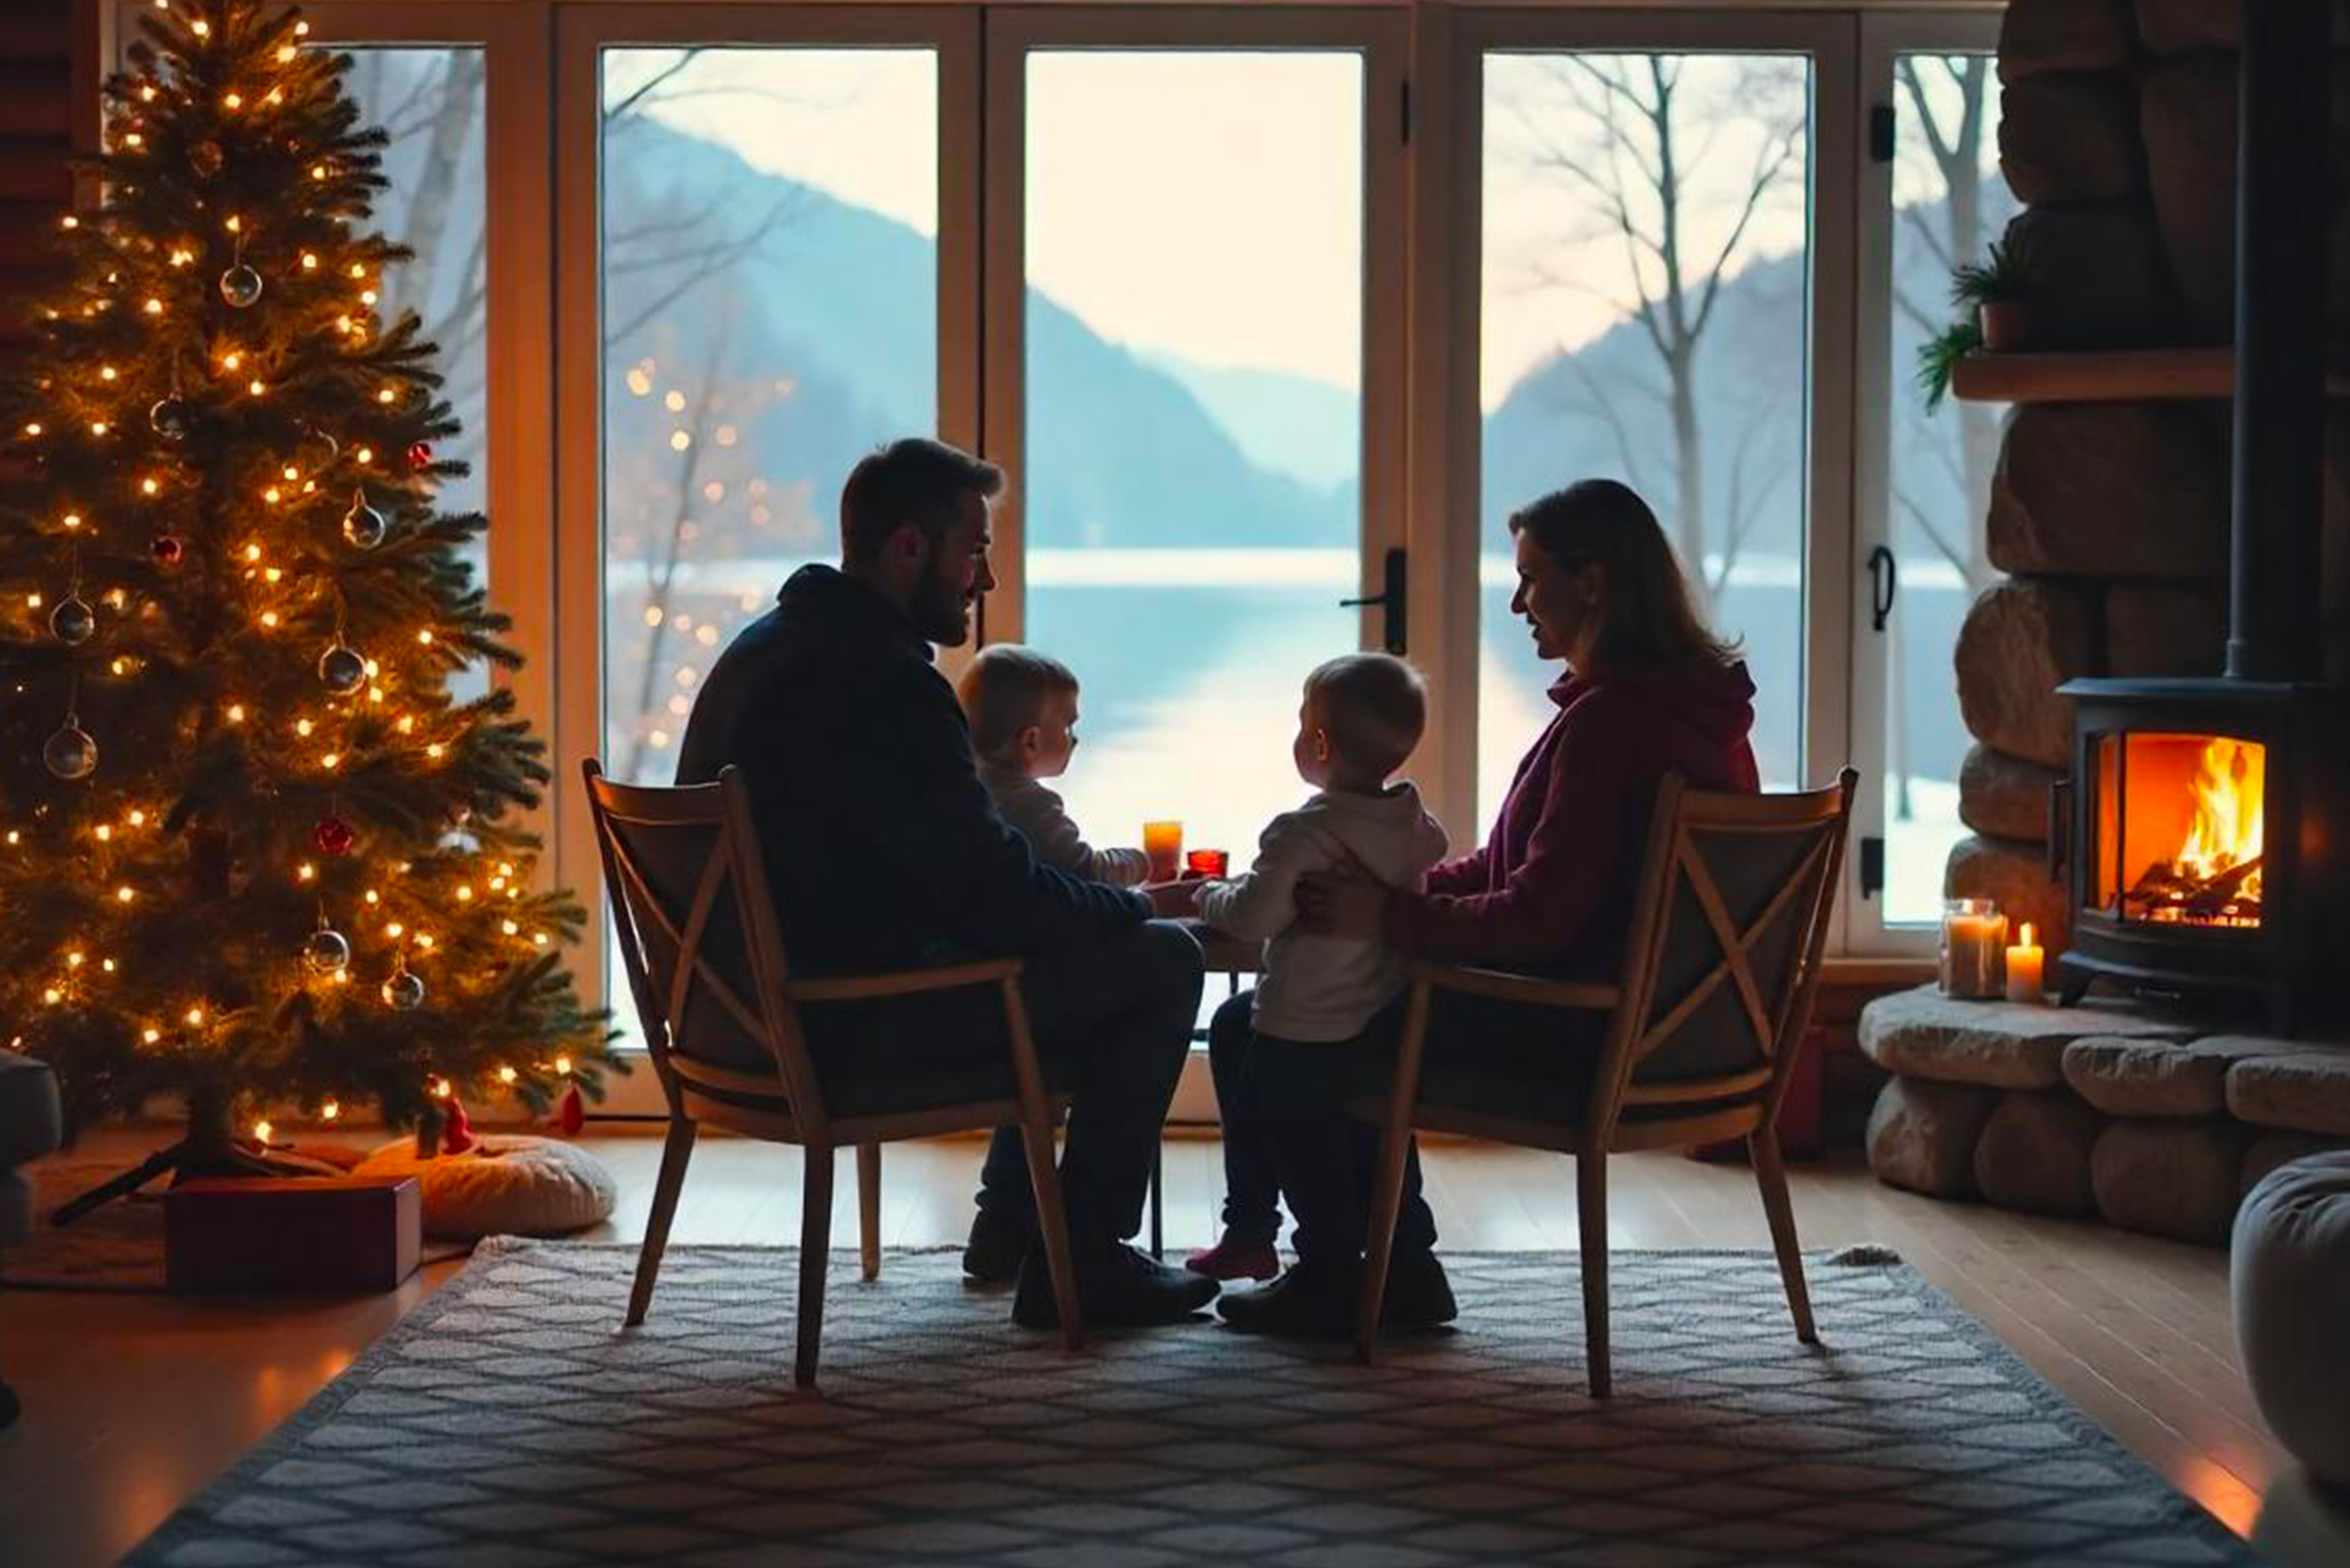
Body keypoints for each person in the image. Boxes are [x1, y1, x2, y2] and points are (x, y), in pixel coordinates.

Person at [674, 437, 1214, 1329]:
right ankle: (1082, 1260)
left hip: (735, 1025)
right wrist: (1129, 904)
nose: (985, 581)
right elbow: (999, 893)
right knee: (1160, 960)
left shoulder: (761, 653)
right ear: (909, 547)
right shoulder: (887, 684)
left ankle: (1011, 1227)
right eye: (975, 551)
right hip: (849, 1023)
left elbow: (919, 868)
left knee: (1071, 962)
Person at [1216, 477, 1761, 1336]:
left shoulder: (1610, 727)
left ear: (1592, 585)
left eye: (1531, 576)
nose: (1517, 602)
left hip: (1573, 1031)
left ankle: (1339, 1270)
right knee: (1328, 1018)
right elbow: (1526, 874)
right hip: (1668, 1031)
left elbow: (1535, 922)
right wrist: (1405, 891)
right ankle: (1401, 1271)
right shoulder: (1701, 715)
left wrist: (1384, 917)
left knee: (1270, 1025)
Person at [1181, 655, 1448, 1296]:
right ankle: (1407, 1265)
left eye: (1303, 725)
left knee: (1286, 1130)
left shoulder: (1303, 832)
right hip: (1379, 1017)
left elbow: (1254, 917)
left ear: (1320, 744)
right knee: (1239, 1033)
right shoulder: (1414, 829)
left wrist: (1208, 894)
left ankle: (1323, 1270)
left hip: (1301, 1026)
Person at [958, 645, 1152, 887]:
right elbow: (1088, 872)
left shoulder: (966, 790)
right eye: (1068, 727)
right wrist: (1143, 861)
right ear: (1031, 742)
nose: (1075, 739)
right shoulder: (1030, 806)